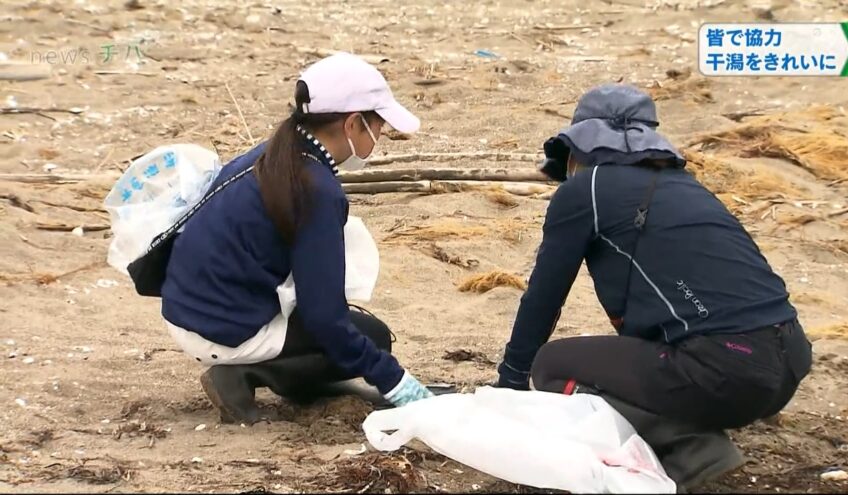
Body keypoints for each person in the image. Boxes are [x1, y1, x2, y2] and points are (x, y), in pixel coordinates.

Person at [495, 84, 812, 489]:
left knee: (553, 365)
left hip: (725, 371)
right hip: (787, 364)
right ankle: (694, 422)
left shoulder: (586, 189)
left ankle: (693, 445)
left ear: (579, 148)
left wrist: (511, 385)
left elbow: (543, 297)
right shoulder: (687, 187)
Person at [161, 53, 433, 424]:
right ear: (354, 124)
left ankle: (255, 366)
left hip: (190, 309)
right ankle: (246, 373)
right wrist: (398, 384)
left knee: (350, 334)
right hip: (223, 329)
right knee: (371, 338)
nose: (380, 137)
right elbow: (326, 318)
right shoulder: (316, 188)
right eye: (379, 126)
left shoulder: (274, 153)